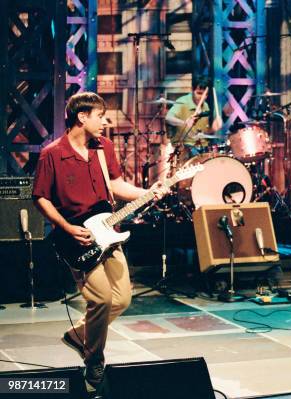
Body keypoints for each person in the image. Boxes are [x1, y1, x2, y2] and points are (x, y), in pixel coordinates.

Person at [32, 92, 167, 388]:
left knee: (121, 298)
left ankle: (79, 336)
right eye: (100, 116)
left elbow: (116, 185)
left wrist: (148, 192)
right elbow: (40, 197)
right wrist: (66, 227)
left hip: (109, 233)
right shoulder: (52, 154)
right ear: (82, 117)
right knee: (101, 298)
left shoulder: (104, 148)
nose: (105, 122)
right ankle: (94, 360)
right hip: (77, 239)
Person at [165, 76, 223, 159]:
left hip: (201, 147)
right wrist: (184, 122)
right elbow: (168, 118)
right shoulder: (183, 102)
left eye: (205, 94)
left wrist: (213, 129)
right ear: (192, 89)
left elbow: (200, 134)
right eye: (199, 93)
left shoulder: (205, 106)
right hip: (184, 147)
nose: (202, 97)